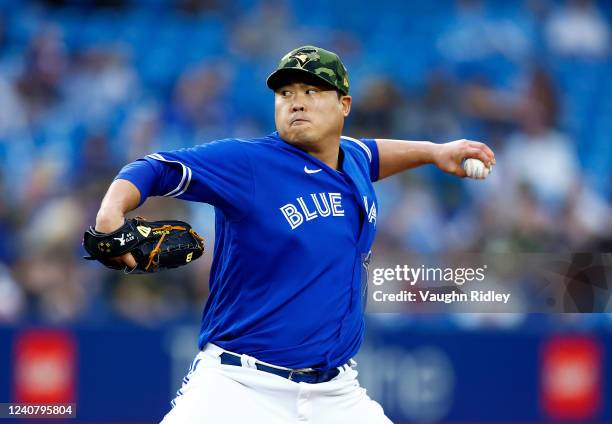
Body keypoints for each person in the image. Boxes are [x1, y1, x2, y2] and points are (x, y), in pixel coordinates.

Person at [94, 45, 495, 423]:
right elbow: (155, 168)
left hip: (335, 393)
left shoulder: (350, 157)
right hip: (240, 386)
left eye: (312, 90)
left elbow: (373, 154)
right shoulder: (250, 163)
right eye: (285, 92)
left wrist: (435, 151)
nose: (296, 101)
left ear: (344, 106)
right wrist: (111, 213)